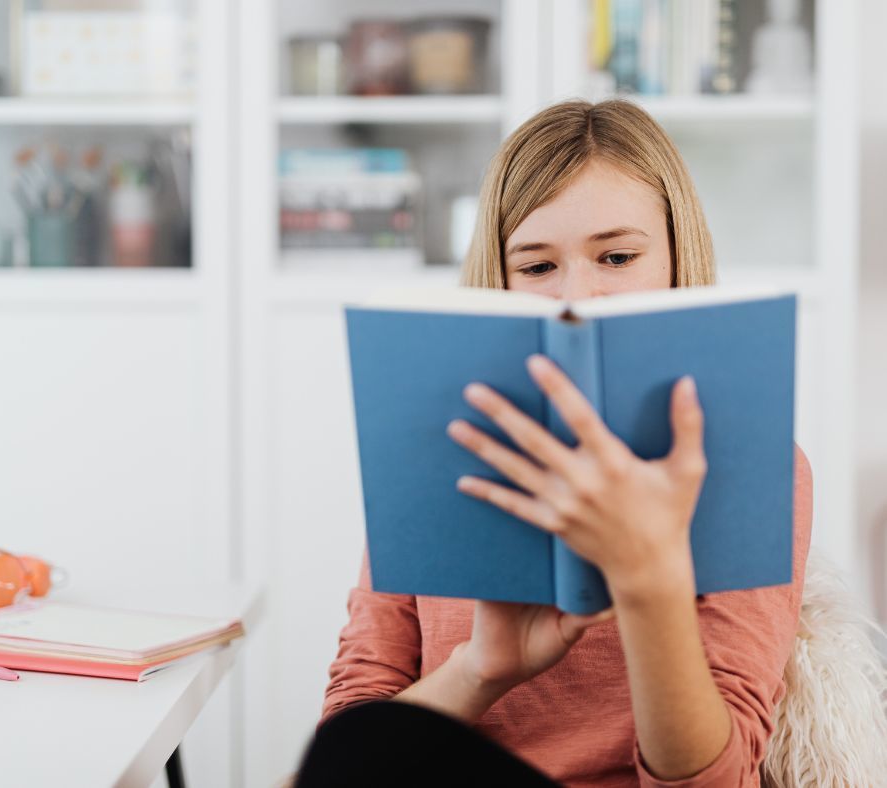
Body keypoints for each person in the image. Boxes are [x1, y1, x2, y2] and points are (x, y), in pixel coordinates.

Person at [296, 99, 812, 787]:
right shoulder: (435, 458)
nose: (579, 296)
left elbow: (717, 781)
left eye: (618, 256)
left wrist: (649, 581)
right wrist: (481, 669)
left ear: (675, 256)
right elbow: (349, 745)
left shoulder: (752, 464)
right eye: (537, 267)